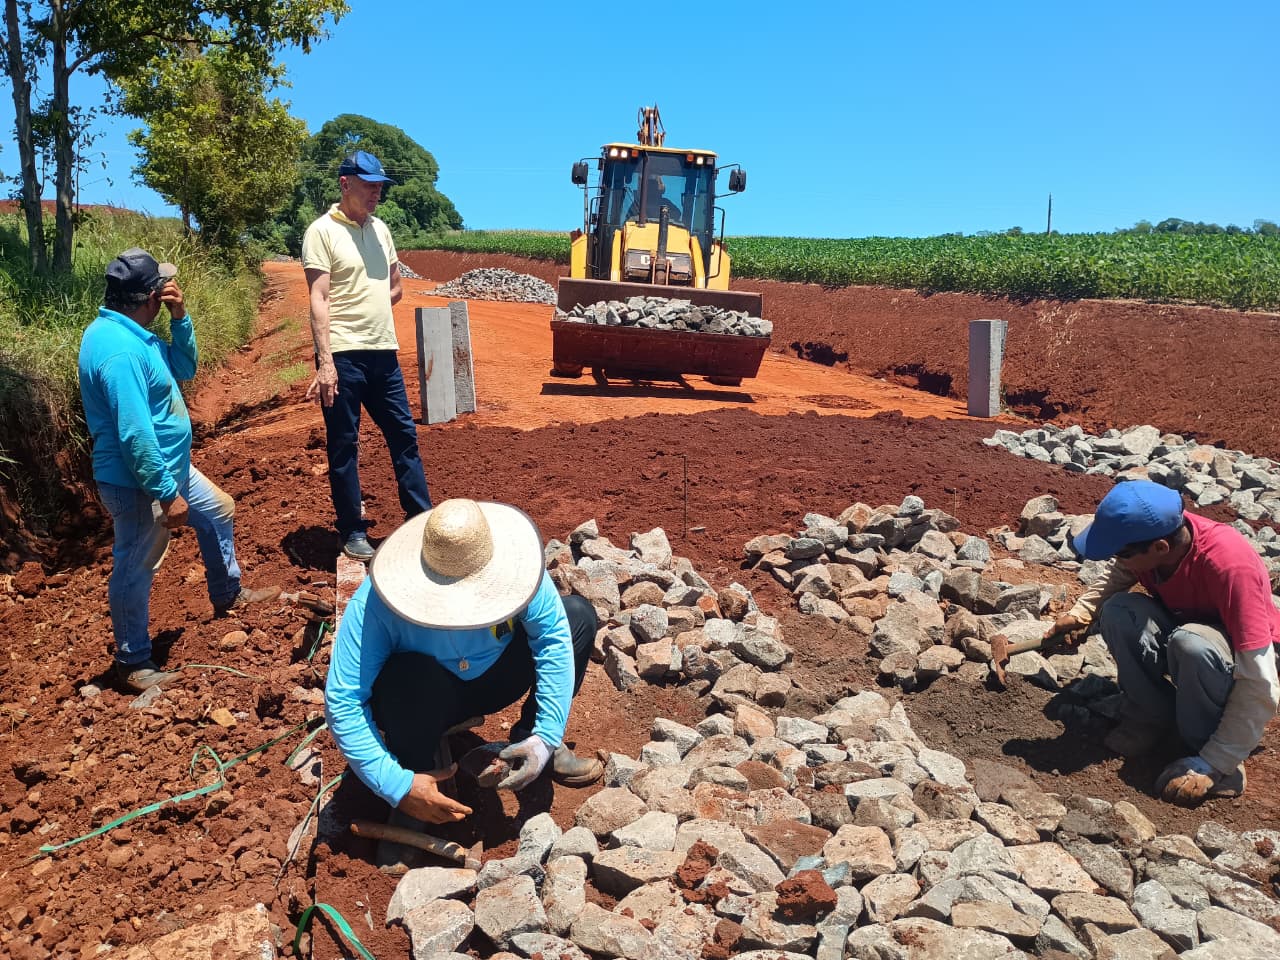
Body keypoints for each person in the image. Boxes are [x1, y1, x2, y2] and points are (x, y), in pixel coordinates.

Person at [324, 498, 603, 837]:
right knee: (406, 675)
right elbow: (344, 699)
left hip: (494, 679)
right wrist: (396, 785)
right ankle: (418, 780)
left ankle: (532, 740)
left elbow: (554, 640)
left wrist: (546, 735)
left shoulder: (520, 567)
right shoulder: (376, 601)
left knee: (578, 617)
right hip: (422, 697)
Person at [78, 248, 280, 693]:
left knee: (219, 510)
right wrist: (167, 494)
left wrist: (181, 318)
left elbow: (184, 368)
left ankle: (228, 593)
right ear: (150, 296)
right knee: (136, 566)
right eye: (163, 291)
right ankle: (132, 662)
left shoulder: (135, 333)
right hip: (139, 482)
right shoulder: (119, 351)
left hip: (170, 468)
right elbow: (134, 434)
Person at [1052, 480, 1280, 805]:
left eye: (1123, 552)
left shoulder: (1230, 567)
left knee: (1191, 644)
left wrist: (1216, 760)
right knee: (1119, 611)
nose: (1119, 559)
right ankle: (1151, 717)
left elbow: (1261, 682)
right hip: (1189, 626)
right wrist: (1082, 612)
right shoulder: (1161, 542)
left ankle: (1206, 751)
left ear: (1159, 548)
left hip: (1237, 654)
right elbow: (1119, 574)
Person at [301, 149, 432, 562]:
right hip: (342, 356)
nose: (377, 192)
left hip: (383, 353)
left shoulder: (381, 230)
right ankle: (353, 531)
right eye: (369, 185)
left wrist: (370, 309)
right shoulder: (321, 232)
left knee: (404, 436)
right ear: (345, 183)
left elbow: (396, 286)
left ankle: (419, 517)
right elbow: (318, 298)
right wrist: (325, 362)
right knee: (344, 445)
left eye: (380, 186)